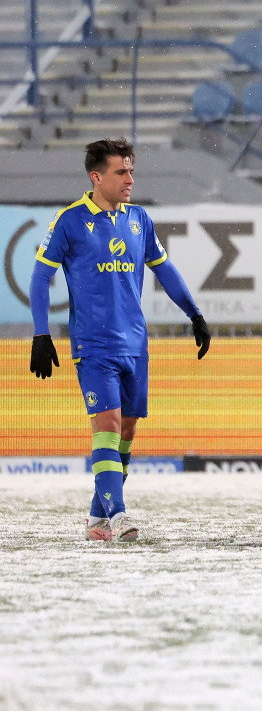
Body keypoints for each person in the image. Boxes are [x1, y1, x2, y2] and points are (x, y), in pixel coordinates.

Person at [29, 138, 210, 543]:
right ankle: (119, 514)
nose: (130, 178)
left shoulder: (139, 219)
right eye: (121, 172)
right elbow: (41, 277)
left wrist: (194, 314)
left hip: (136, 344)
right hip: (94, 347)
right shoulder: (69, 221)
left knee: (126, 432)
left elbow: (165, 270)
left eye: (131, 170)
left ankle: (97, 517)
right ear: (97, 177)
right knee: (107, 427)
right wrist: (41, 334)